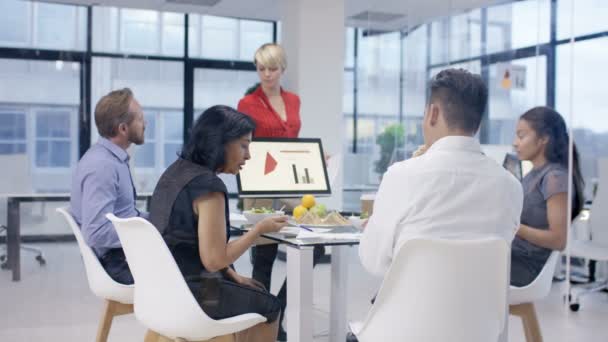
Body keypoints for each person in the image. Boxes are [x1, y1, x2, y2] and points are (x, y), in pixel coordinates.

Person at [359, 68, 524, 277]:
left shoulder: (402, 175)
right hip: (483, 309)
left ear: (432, 114)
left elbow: (374, 262)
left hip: (410, 308)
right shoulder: (511, 186)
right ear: (478, 122)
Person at [149, 105, 287, 341]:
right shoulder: (209, 188)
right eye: (243, 145)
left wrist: (231, 275)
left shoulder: (174, 173)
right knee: (270, 305)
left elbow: (185, 241)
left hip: (160, 290)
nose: (249, 155)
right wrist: (259, 230)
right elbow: (213, 261)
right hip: (195, 295)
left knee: (248, 288)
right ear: (220, 142)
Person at [237, 42, 324, 341]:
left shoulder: (294, 100)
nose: (267, 74)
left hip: (291, 184)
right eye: (261, 68)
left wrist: (312, 159)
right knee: (264, 257)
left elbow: (294, 143)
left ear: (283, 68)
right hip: (260, 184)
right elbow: (242, 143)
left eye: (272, 68)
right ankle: (266, 328)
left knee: (315, 246)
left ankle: (278, 310)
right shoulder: (247, 103)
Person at [70, 88, 148, 285]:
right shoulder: (103, 166)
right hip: (116, 262)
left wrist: (156, 220)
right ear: (123, 128)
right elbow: (96, 233)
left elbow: (124, 214)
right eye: (140, 119)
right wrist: (147, 232)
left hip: (122, 254)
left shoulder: (112, 159)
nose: (145, 124)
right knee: (191, 271)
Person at [510, 107, 584, 287]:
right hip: (513, 256)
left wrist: (514, 227)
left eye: (521, 136)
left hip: (526, 266)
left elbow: (558, 240)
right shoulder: (534, 174)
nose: (515, 143)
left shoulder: (554, 177)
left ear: (543, 139)